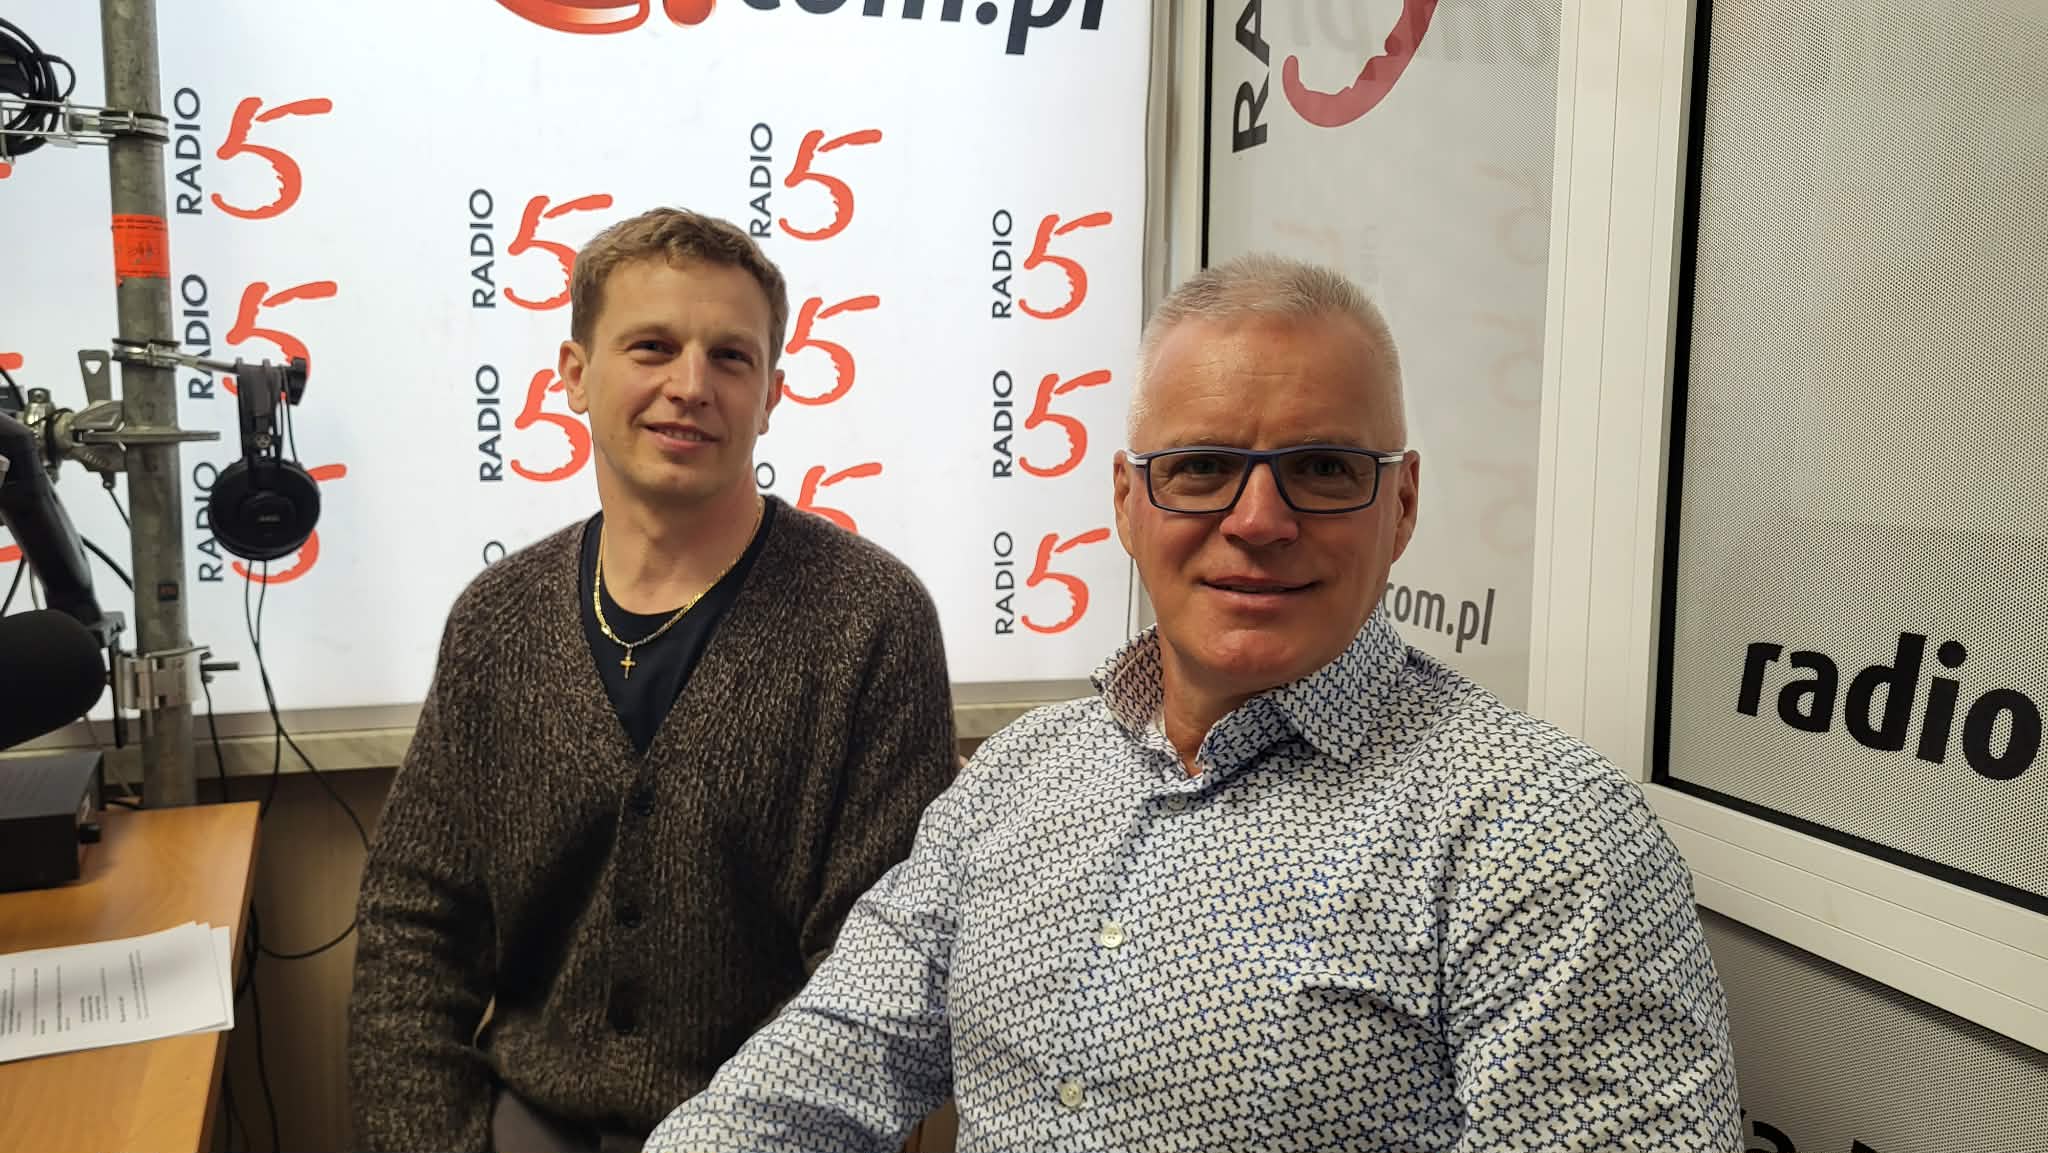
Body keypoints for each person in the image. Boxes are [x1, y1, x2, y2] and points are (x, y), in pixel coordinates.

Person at [644, 254, 1742, 1152]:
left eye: (1323, 469)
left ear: (1401, 504)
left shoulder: (1543, 834)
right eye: (1202, 467)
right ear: (1128, 503)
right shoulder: (1023, 774)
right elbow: (825, 1064)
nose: (1257, 520)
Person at [346, 208, 959, 1152]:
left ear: (771, 393)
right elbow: (413, 931)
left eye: (730, 357)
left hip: (774, 1134)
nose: (690, 386)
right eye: (652, 347)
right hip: (529, 1125)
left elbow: (877, 981)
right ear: (574, 374)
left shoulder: (871, 622)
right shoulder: (495, 622)